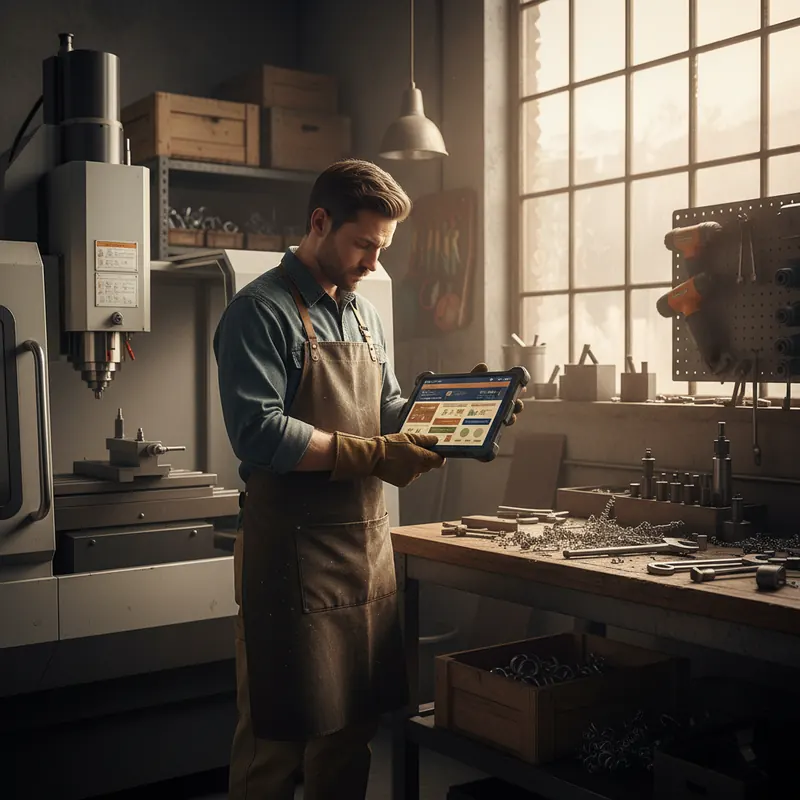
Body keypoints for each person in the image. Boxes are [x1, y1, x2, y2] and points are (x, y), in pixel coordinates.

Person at [213, 159, 523, 800]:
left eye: (382, 249)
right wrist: (376, 454)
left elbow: (384, 412)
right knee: (276, 745)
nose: (372, 263)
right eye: (364, 245)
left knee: (348, 736)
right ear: (319, 222)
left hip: (362, 554)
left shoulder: (363, 317)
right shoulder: (259, 313)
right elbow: (261, 434)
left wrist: (461, 409)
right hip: (289, 559)